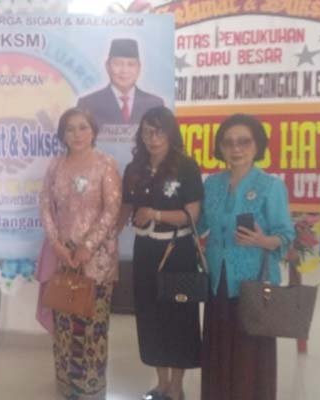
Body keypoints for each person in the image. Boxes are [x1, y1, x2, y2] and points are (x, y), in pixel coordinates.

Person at [199, 114, 294, 400]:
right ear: (220, 148)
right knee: (218, 349)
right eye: (228, 142)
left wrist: (262, 240)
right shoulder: (212, 184)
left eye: (244, 141)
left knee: (249, 354)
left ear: (257, 145)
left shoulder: (270, 186)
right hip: (218, 282)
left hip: (253, 282)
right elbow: (200, 224)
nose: (236, 148)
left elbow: (286, 235)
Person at [35, 107, 122, 400]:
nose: (77, 134)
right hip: (63, 258)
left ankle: (90, 388)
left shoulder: (105, 164)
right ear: (63, 135)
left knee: (92, 327)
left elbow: (112, 209)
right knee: (64, 325)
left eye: (83, 127)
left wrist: (88, 246)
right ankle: (67, 385)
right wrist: (57, 244)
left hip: (96, 261)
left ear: (93, 131)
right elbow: (45, 205)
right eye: (70, 129)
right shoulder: (56, 165)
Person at [117, 107, 203, 400]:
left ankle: (177, 386)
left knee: (179, 317)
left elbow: (192, 215)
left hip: (177, 251)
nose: (152, 138)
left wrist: (155, 214)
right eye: (146, 132)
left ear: (170, 133)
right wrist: (105, 237)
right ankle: (161, 383)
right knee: (149, 315)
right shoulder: (134, 169)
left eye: (159, 132)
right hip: (145, 251)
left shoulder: (186, 166)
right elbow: (126, 209)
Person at [77, 38, 163, 129]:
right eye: (117, 64)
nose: (124, 70)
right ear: (107, 66)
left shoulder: (154, 104)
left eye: (131, 64)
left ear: (139, 68)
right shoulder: (88, 103)